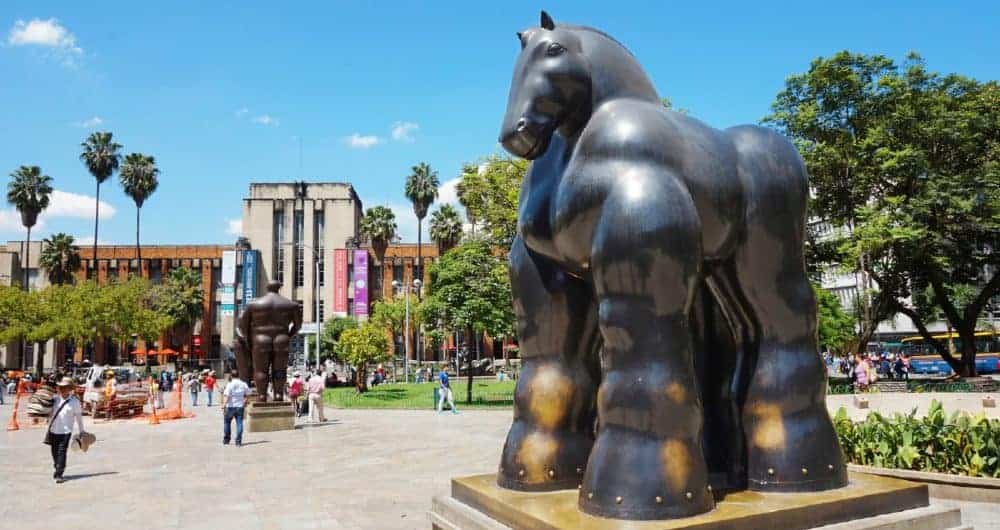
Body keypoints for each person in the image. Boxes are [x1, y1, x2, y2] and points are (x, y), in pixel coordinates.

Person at [48, 377, 87, 483]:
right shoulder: (55, 399)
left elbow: (79, 417)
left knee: (61, 451)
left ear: (69, 389)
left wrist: (82, 431)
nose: (61, 389)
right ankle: (58, 466)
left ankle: (59, 473)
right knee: (54, 451)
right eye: (60, 387)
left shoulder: (74, 402)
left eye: (64, 387)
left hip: (65, 431)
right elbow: (47, 411)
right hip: (53, 429)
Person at [222, 370, 250, 446]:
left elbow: (226, 395)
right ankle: (238, 442)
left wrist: (224, 404)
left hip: (230, 406)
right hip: (240, 406)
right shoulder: (243, 384)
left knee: (227, 423)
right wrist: (245, 401)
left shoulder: (230, 384)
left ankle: (226, 440)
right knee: (239, 424)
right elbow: (248, 394)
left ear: (231, 375)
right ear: (239, 375)